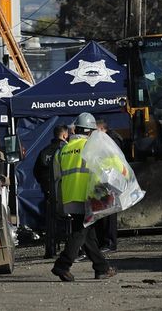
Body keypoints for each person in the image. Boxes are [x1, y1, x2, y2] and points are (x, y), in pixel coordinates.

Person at [50, 112, 117, 282]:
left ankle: (101, 268)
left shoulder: (63, 149)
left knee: (88, 234)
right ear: (89, 131)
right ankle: (62, 265)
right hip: (87, 197)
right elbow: (111, 165)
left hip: (69, 196)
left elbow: (57, 177)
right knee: (80, 232)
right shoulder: (92, 146)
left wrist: (59, 202)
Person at [34, 125, 70, 258]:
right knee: (71, 223)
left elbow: (36, 172)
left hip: (49, 193)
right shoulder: (67, 150)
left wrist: (46, 187)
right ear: (65, 135)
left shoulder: (44, 152)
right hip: (67, 192)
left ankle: (50, 250)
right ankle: (75, 250)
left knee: (51, 223)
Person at [94, 119, 124, 253]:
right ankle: (105, 242)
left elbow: (112, 160)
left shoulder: (111, 141)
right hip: (105, 179)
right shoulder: (109, 140)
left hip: (109, 180)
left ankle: (109, 243)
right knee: (104, 213)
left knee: (109, 214)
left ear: (101, 129)